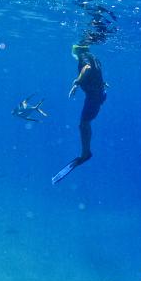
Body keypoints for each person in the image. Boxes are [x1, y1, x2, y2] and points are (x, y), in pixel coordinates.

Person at [52, 44, 107, 184]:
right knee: (85, 122)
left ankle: (86, 153)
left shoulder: (83, 57)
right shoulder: (94, 57)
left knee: (84, 124)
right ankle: (86, 152)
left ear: (76, 50)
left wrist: (76, 83)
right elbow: (97, 72)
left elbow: (87, 69)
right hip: (99, 94)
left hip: (93, 97)